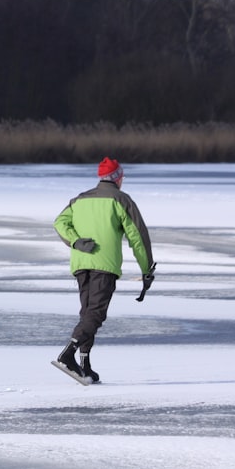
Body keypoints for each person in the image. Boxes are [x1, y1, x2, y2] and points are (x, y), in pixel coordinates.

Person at [52, 157, 154, 383]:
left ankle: (84, 364)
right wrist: (147, 269)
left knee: (87, 312)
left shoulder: (79, 200)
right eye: (122, 176)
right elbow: (138, 237)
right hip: (104, 265)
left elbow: (60, 222)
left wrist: (76, 242)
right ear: (117, 178)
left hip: (80, 264)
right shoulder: (121, 200)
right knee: (96, 313)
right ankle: (68, 353)